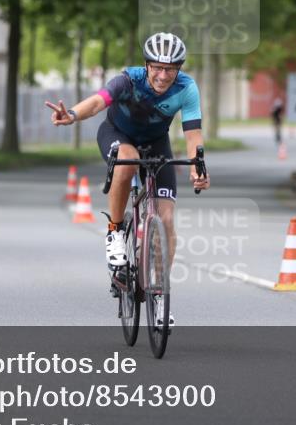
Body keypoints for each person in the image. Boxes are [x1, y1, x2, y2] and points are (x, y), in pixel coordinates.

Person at [45, 32, 210, 327]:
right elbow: (98, 102)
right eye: (157, 67)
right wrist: (71, 114)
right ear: (146, 65)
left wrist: (198, 170)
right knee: (129, 160)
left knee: (167, 218)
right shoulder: (128, 80)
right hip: (117, 134)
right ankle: (116, 232)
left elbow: (192, 134)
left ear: (179, 69)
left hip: (156, 143)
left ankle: (159, 294)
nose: (162, 75)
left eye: (170, 69)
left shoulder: (187, 88)